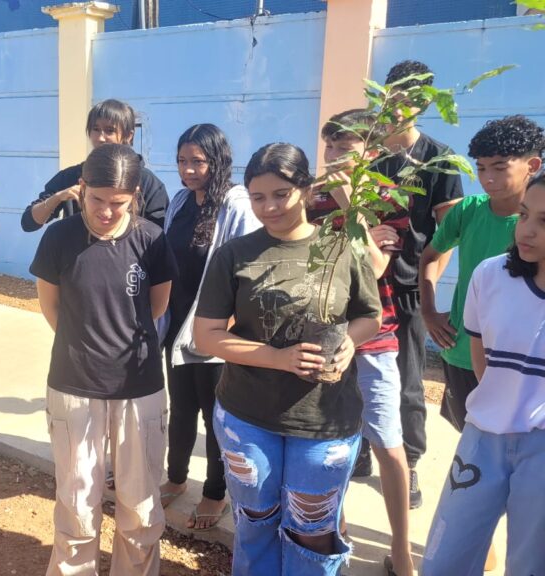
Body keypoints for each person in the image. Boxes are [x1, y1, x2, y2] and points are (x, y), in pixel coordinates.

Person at [194, 143, 381, 575]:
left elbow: (369, 316)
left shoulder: (340, 249)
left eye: (280, 193)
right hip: (248, 415)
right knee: (256, 522)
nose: (269, 207)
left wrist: (350, 342)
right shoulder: (235, 255)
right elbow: (207, 336)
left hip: (325, 419)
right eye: (258, 197)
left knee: (311, 530)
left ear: (308, 189)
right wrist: (278, 358)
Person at [31, 143, 176, 576]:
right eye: (96, 200)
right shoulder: (59, 237)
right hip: (74, 386)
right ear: (81, 189)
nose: (106, 211)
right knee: (77, 503)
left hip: (140, 387)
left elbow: (155, 308)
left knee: (141, 504)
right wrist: (88, 347)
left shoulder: (151, 240)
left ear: (134, 197)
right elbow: (51, 308)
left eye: (118, 203)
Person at [421, 174, 545, 576]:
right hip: (481, 440)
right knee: (444, 559)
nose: (525, 230)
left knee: (530, 565)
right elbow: (482, 364)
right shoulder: (490, 276)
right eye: (525, 214)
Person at [314, 109, 414, 575]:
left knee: (388, 444)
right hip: (327, 334)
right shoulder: (311, 201)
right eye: (329, 147)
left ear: (370, 153)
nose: (334, 156)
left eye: (345, 149)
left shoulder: (388, 199)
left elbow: (375, 270)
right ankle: (339, 528)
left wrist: (349, 208)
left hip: (374, 340)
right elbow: (310, 264)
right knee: (332, 441)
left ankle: (400, 548)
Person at [159, 124, 261, 531]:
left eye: (197, 161)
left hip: (217, 331)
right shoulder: (182, 200)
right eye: (183, 161)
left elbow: (250, 271)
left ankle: (215, 494)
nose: (188, 170)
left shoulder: (236, 205)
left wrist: (223, 327)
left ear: (217, 160)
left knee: (216, 418)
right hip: (177, 326)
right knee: (181, 408)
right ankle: (177, 477)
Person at [374, 60, 464, 508]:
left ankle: (408, 464)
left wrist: (427, 288)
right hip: (367, 285)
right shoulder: (372, 157)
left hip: (407, 288)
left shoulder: (439, 160)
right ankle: (360, 452)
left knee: (408, 380)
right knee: (358, 371)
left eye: (410, 98)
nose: (399, 106)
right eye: (394, 95)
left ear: (425, 102)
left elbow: (447, 237)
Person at [419, 115, 544, 430]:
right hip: (461, 353)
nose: (488, 178)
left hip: (521, 365)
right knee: (472, 447)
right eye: (482, 168)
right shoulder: (468, 210)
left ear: (532, 165)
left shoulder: (534, 231)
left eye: (500, 168)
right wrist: (429, 312)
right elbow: (431, 256)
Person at [21, 99, 168, 231]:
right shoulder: (70, 177)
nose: (100, 137)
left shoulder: (149, 184)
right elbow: (29, 223)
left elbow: (157, 235)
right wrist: (57, 197)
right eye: (95, 129)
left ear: (128, 135)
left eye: (110, 130)